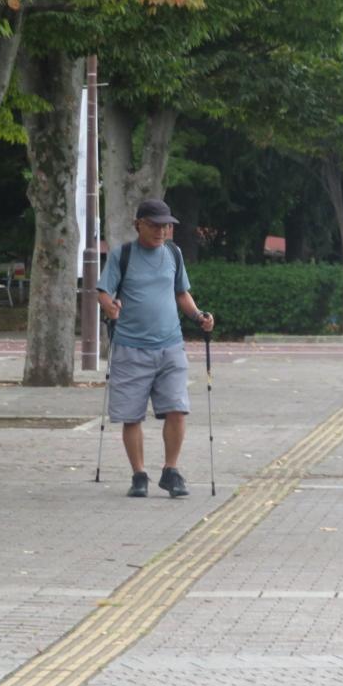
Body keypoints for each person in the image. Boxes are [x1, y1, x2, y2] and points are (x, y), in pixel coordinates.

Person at [97, 199, 215, 498]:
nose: (162, 230)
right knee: (131, 415)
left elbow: (181, 293)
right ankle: (139, 475)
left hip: (170, 346)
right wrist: (111, 309)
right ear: (139, 224)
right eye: (155, 225)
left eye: (166, 226)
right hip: (130, 348)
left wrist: (199, 316)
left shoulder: (173, 253)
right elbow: (103, 293)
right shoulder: (122, 255)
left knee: (177, 409)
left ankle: (170, 471)